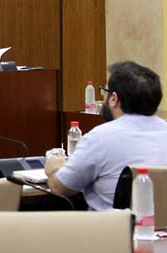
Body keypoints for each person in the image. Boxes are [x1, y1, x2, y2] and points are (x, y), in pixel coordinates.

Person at [46, 61, 167, 210]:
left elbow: (60, 188)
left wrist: (54, 167)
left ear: (114, 99)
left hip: (115, 231)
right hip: (160, 231)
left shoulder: (100, 138)